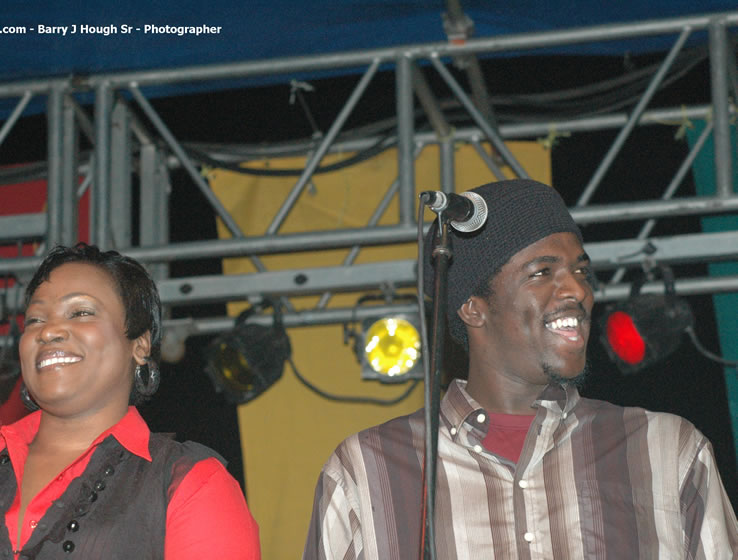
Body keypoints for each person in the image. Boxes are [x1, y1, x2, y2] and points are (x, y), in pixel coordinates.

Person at [303, 179, 737, 559]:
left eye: (581, 271)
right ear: (473, 308)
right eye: (542, 272)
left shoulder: (665, 450)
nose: (577, 289)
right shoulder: (367, 470)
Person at [0, 243, 261, 559]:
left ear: (140, 344)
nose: (49, 330)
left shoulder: (189, 486)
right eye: (35, 319)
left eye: (81, 312)